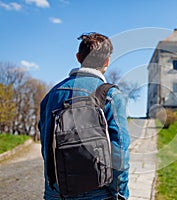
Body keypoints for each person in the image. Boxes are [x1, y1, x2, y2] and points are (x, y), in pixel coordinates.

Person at [39, 33, 130, 199]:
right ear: (107, 62)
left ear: (78, 57)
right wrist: (120, 193)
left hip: (56, 193)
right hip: (98, 193)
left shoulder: (51, 95)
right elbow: (119, 151)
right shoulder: (110, 95)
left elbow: (46, 148)